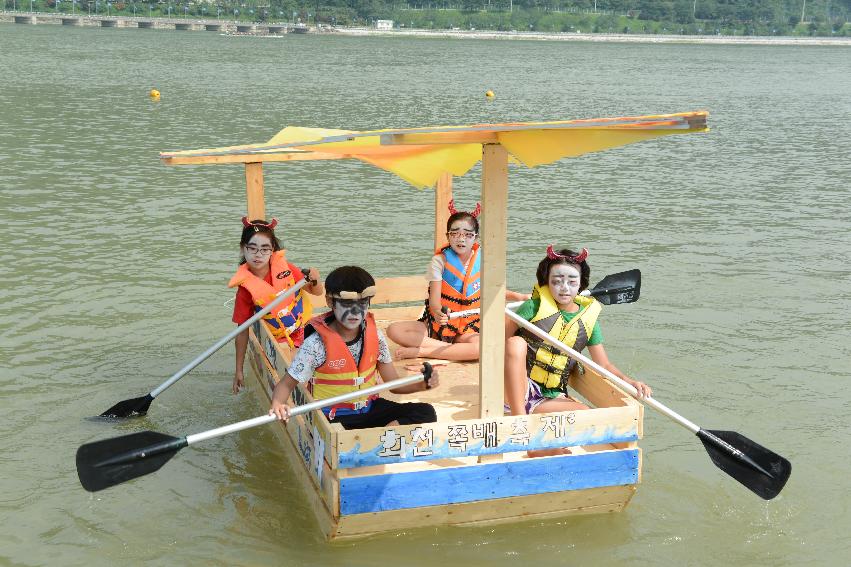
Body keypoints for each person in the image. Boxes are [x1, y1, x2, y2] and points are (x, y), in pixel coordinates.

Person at [269, 266, 440, 429]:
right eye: (347, 303)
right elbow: (286, 385)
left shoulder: (376, 337)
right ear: (330, 301)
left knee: (426, 412)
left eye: (362, 303)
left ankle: (380, 438)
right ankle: (373, 441)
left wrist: (423, 384)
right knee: (337, 436)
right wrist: (278, 404)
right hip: (333, 418)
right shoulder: (315, 344)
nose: (355, 312)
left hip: (369, 409)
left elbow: (395, 386)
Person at [504, 245, 652, 419]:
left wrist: (630, 382)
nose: (564, 288)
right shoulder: (532, 307)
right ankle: (520, 423)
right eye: (557, 281)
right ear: (546, 281)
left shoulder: (588, 321)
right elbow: (499, 342)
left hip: (549, 397)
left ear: (581, 283)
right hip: (515, 389)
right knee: (515, 343)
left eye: (572, 282)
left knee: (586, 415)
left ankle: (533, 431)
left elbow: (604, 365)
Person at [386, 200, 530, 362]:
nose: (461, 239)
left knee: (481, 347)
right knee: (393, 330)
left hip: (470, 328)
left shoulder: (484, 261)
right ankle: (451, 350)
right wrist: (440, 314)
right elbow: (434, 302)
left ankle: (423, 351)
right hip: (440, 326)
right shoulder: (439, 261)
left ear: (475, 237)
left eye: (467, 234)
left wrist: (520, 297)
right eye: (455, 233)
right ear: (448, 235)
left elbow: (492, 292)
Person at [229, 217, 323, 394]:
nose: (258, 254)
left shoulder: (285, 267)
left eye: (265, 249)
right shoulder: (245, 290)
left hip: (305, 327)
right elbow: (242, 331)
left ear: (273, 250)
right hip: (279, 341)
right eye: (252, 248)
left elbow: (316, 292)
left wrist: (315, 278)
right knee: (296, 374)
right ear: (243, 248)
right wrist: (239, 370)